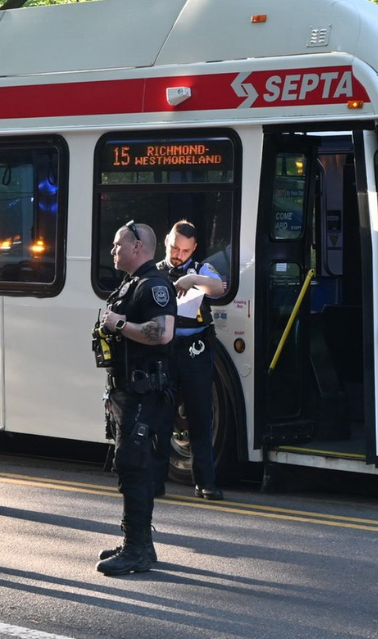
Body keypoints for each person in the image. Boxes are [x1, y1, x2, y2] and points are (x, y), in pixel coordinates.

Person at [92, 220, 175, 576]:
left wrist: (120, 325)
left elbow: (163, 334)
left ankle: (137, 549)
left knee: (134, 466)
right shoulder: (132, 284)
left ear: (137, 246)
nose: (113, 250)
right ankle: (138, 542)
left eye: (117, 244)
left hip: (143, 393)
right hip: (126, 390)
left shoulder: (154, 285)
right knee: (128, 464)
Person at [155, 220, 226, 501]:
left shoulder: (200, 269)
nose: (178, 255)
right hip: (164, 350)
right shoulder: (155, 271)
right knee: (160, 416)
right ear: (166, 242)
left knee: (199, 415)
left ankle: (205, 483)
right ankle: (156, 481)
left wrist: (192, 279)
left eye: (185, 250)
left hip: (195, 350)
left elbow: (219, 287)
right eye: (175, 248)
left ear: (194, 248)